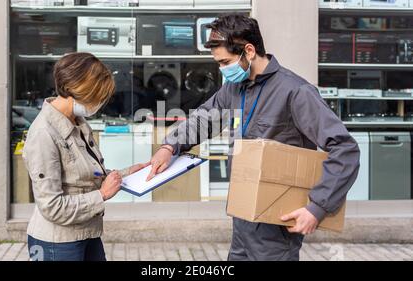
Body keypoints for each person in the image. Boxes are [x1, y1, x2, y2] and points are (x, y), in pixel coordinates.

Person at [146, 14, 360, 261]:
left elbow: (345, 150)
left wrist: (317, 208)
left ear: (249, 51)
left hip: (276, 224)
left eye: (225, 62)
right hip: (242, 217)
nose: (222, 69)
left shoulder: (296, 92)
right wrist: (169, 146)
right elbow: (204, 118)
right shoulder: (234, 88)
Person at [23, 52, 149, 261]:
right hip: (58, 243)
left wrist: (126, 175)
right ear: (75, 89)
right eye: (97, 95)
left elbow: (85, 175)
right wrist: (102, 195)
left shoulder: (76, 121)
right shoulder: (44, 134)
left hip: (87, 233)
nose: (100, 102)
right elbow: (52, 207)